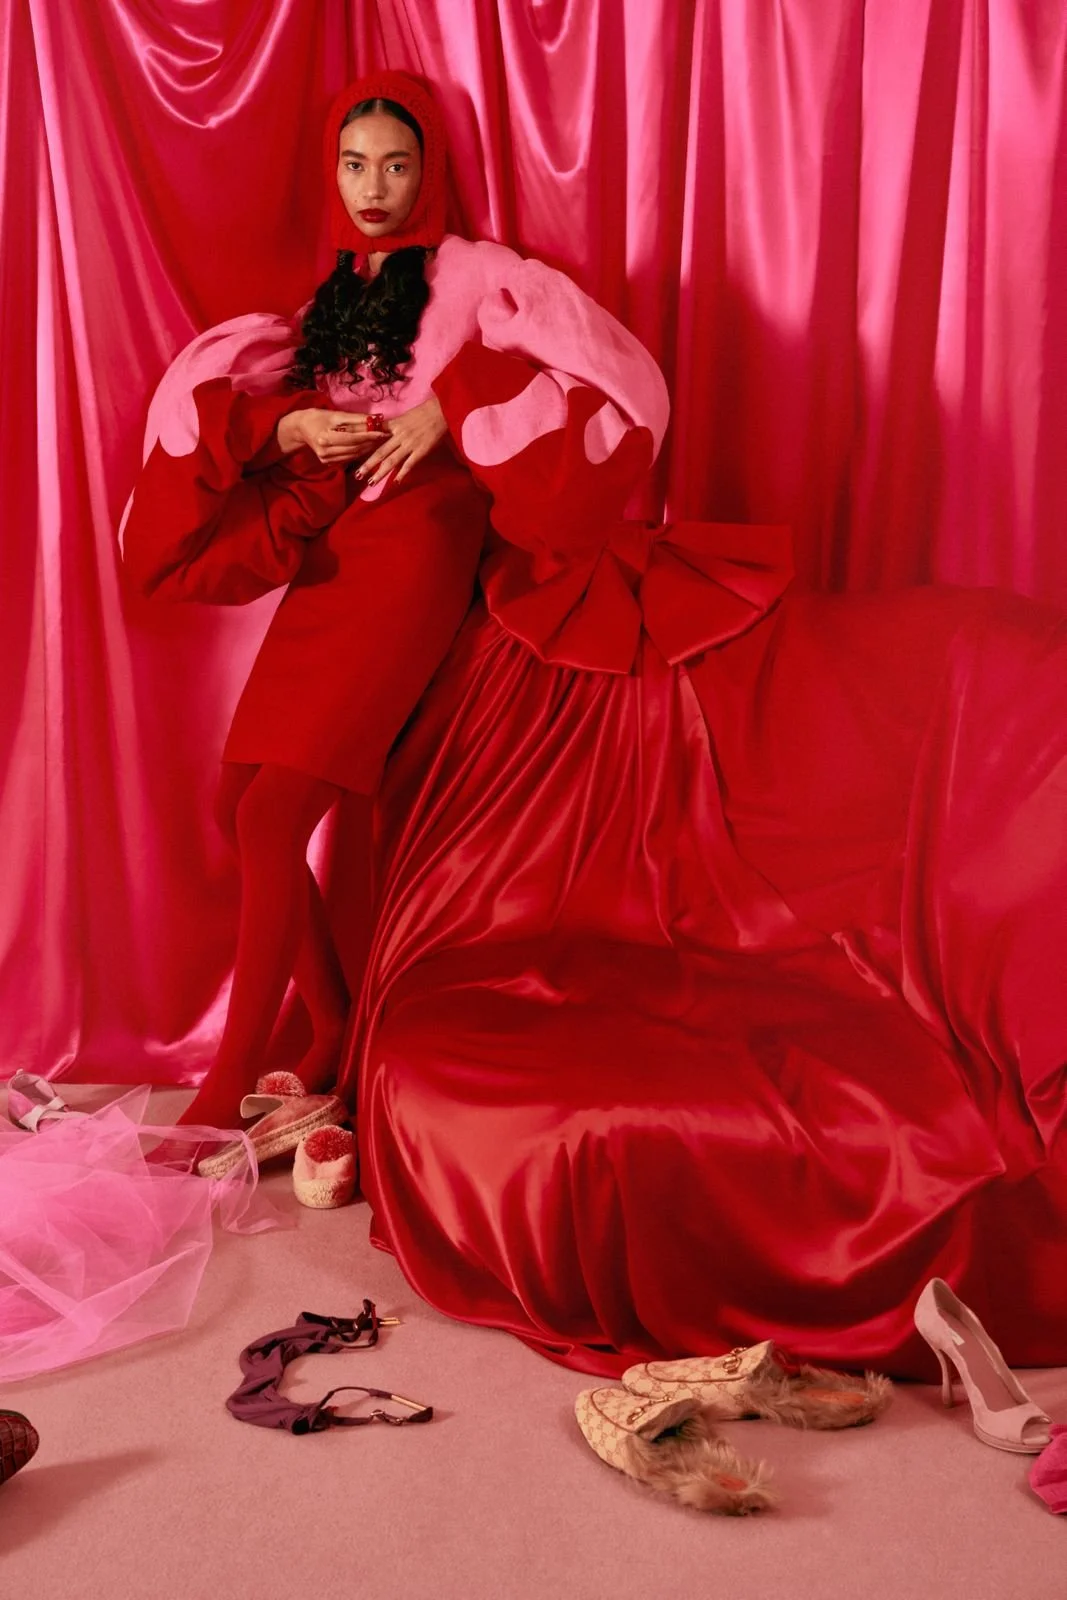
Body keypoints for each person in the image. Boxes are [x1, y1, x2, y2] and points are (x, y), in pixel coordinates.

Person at [126, 71, 1067, 1379]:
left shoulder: (477, 282)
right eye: (356, 165)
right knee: (256, 802)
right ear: (331, 176)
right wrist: (296, 421)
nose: (374, 186)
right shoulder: (322, 299)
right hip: (339, 564)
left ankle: (225, 1093)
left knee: (277, 803)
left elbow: (595, 377)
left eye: (395, 164)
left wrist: (452, 411)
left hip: (418, 557)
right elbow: (243, 463)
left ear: (427, 171)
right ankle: (331, 1044)